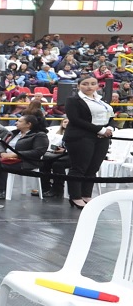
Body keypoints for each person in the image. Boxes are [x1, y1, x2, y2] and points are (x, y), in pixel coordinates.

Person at [63, 76, 114, 209]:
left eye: (93, 84)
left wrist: (109, 128)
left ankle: (86, 195)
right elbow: (75, 120)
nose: (89, 86)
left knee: (93, 168)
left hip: (101, 138)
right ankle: (75, 196)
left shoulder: (101, 100)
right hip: (80, 137)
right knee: (79, 168)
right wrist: (100, 130)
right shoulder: (73, 100)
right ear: (79, 86)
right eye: (85, 84)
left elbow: (110, 116)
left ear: (98, 86)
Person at [41, 118, 69, 199]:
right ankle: (45, 188)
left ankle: (57, 190)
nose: (66, 124)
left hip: (74, 155)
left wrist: (65, 150)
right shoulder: (57, 133)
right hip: (61, 153)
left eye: (68, 122)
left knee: (57, 164)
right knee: (45, 160)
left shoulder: (76, 133)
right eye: (65, 122)